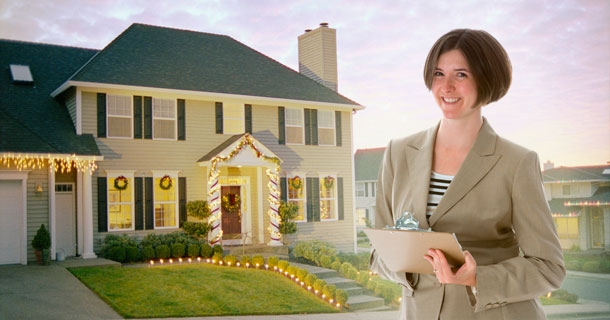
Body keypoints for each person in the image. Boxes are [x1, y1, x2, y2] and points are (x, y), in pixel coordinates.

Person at [369, 29, 565, 319]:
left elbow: (549, 267)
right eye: (438, 74)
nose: (446, 87)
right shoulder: (399, 153)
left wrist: (477, 277)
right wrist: (413, 266)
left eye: (460, 75)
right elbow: (378, 253)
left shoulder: (516, 162)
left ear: (486, 80)